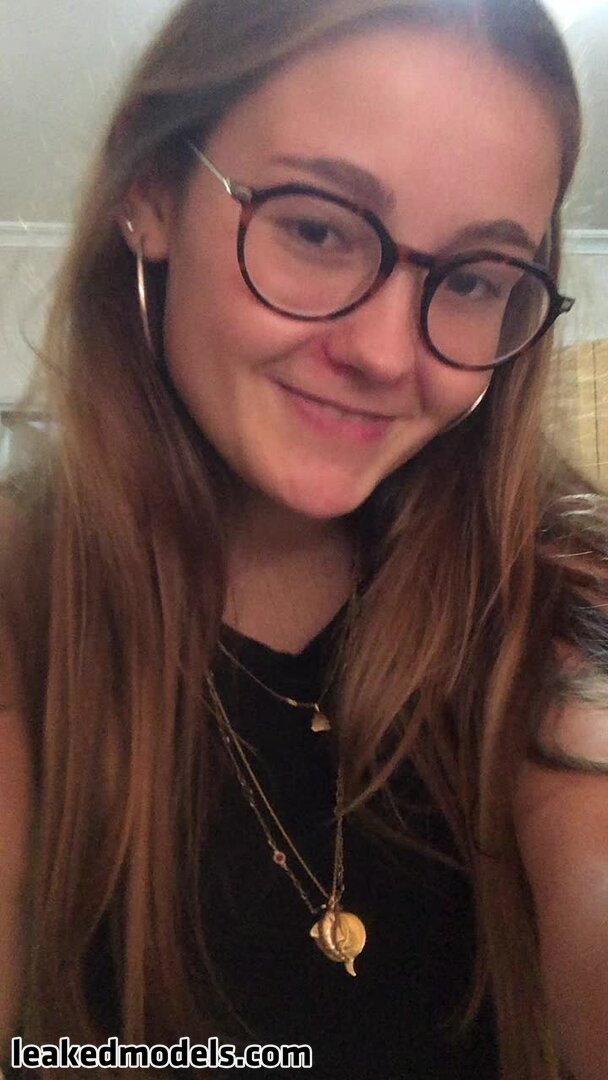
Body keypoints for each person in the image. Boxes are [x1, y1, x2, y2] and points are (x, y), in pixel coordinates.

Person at [1, 0, 607, 1077]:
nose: (385, 353)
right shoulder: (20, 606)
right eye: (318, 229)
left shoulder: (558, 592)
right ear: (152, 192)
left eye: (473, 279)